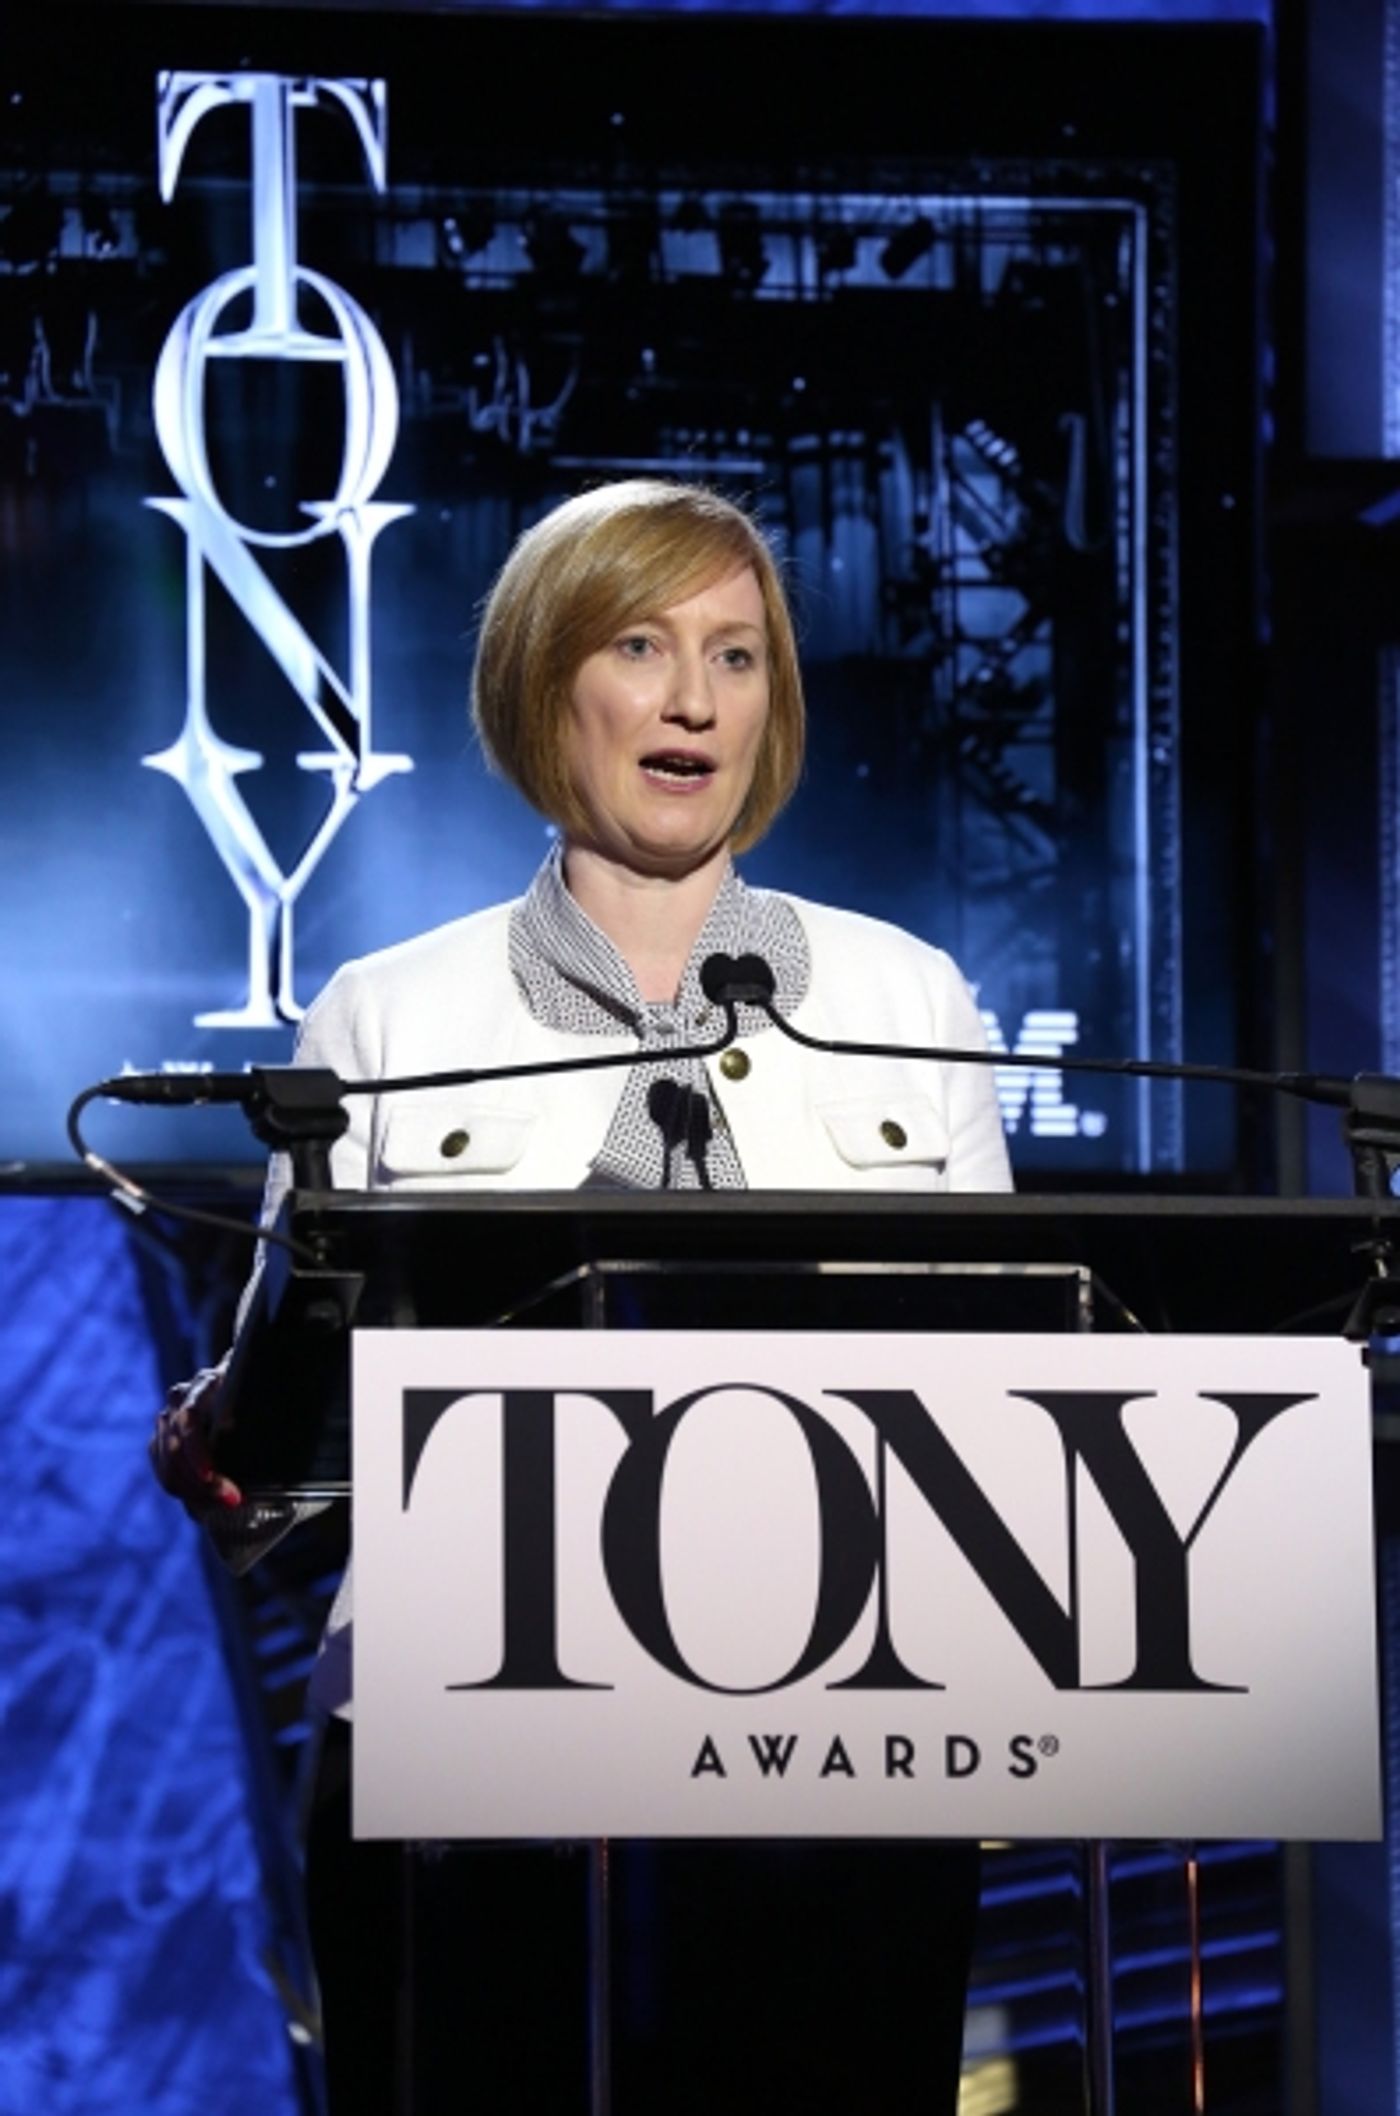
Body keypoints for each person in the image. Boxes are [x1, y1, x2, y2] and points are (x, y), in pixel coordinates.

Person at [153, 478, 1013, 2116]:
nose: (696, 699)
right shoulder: (386, 1014)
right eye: (642, 644)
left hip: (843, 1762)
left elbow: (998, 1401)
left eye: (739, 657)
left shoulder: (914, 998)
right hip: (471, 1776)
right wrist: (238, 1441)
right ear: (551, 684)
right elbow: (295, 1423)